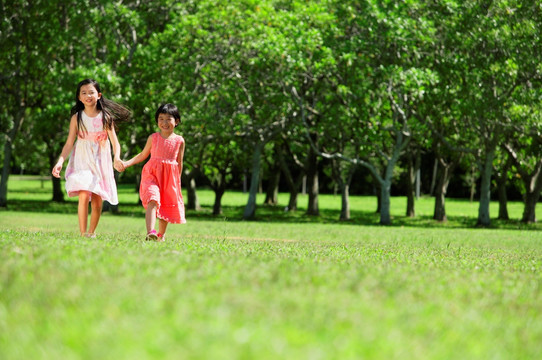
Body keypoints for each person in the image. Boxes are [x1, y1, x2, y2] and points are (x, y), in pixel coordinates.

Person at [52, 79, 130, 237]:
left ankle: (91, 232)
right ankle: (82, 233)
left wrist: (117, 158)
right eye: (84, 93)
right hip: (82, 159)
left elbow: (115, 143)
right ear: (79, 97)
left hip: (101, 159)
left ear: (99, 95)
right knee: (83, 193)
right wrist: (60, 161)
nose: (88, 95)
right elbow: (69, 143)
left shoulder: (105, 117)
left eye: (91, 92)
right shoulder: (77, 117)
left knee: (96, 199)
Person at [120, 103, 186, 241]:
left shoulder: (180, 141)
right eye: (161, 119)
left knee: (166, 205)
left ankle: (161, 235)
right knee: (153, 199)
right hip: (152, 174)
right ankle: (151, 232)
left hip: (170, 179)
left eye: (169, 119)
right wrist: (127, 163)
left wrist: (177, 182)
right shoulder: (153, 138)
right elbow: (143, 155)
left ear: (177, 121)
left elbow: (179, 162)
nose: (164, 122)